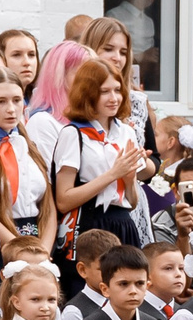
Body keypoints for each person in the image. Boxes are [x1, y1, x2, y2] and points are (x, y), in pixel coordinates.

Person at [49, 58, 152, 248]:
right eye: (104, 91)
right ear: (87, 93)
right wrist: (113, 174)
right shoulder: (74, 133)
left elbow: (132, 202)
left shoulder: (126, 131)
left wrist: (129, 181)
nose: (114, 98)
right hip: (88, 223)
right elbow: (63, 200)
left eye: (117, 90)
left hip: (122, 223)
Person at [0, 68, 51, 258]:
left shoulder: (30, 145)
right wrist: (21, 250)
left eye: (16, 100)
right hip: (3, 242)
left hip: (39, 243)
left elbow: (49, 207)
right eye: (1, 101)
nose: (11, 109)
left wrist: (43, 251)